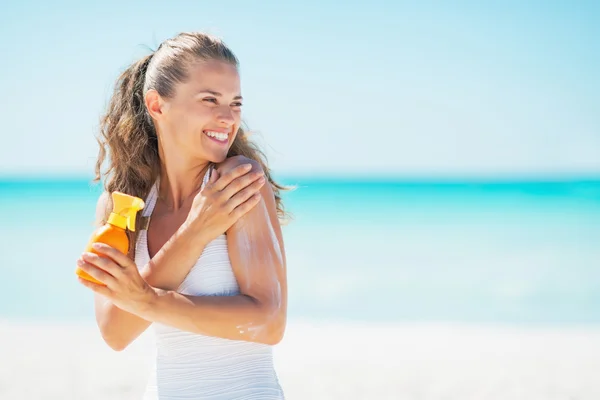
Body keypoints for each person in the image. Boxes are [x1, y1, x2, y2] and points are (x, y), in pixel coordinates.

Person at [76, 31, 289, 399]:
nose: (228, 118)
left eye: (235, 104)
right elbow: (116, 332)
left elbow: (269, 322)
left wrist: (147, 299)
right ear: (157, 105)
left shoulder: (236, 183)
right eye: (210, 100)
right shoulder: (121, 206)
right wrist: (195, 232)